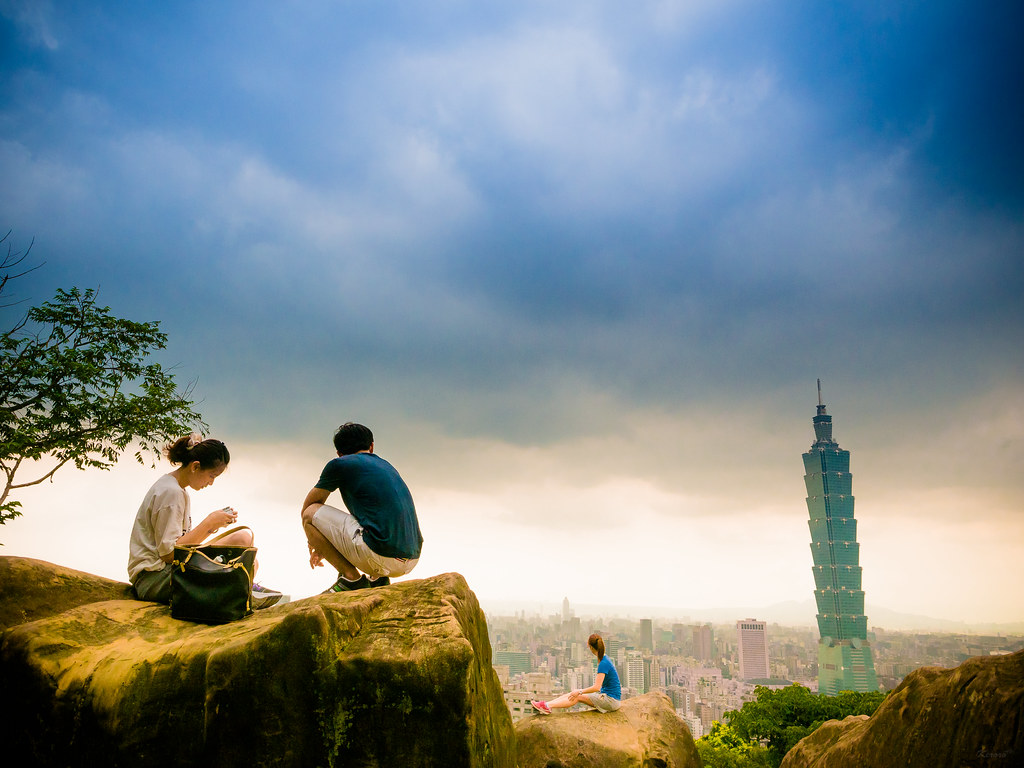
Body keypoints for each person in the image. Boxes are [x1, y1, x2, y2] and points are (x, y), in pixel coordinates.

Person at [128, 434, 282, 609]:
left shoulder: (177, 490)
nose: (211, 483)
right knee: (241, 561)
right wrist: (209, 524)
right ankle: (240, 591)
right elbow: (169, 554)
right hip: (154, 579)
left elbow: (181, 546)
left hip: (165, 574)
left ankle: (242, 587)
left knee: (243, 540)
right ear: (195, 467)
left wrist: (214, 525)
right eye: (211, 476)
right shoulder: (171, 493)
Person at [300, 422, 422, 593]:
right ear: (371, 447)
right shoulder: (387, 466)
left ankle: (350, 578)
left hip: (379, 555)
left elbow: (309, 507)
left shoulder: (339, 465)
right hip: (412, 557)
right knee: (371, 519)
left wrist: (315, 542)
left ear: (339, 453)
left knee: (309, 514)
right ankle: (378, 578)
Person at [532, 633, 621, 715]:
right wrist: (578, 691)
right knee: (573, 693)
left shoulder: (603, 663)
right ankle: (547, 705)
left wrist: (580, 691)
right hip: (607, 697)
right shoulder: (604, 659)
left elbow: (597, 687)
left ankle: (547, 706)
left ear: (589, 646)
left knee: (577, 696)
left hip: (611, 701)